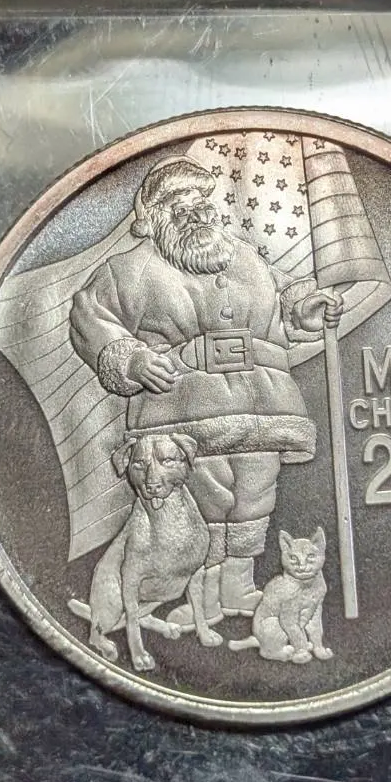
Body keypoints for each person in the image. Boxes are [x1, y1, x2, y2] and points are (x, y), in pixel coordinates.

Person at [69, 156, 342, 631]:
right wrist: (131, 360)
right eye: (179, 204)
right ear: (154, 218)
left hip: (263, 404)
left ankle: (238, 584)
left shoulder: (244, 256)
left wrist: (306, 307)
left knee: (256, 495)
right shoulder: (127, 271)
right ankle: (205, 593)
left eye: (200, 201)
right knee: (208, 502)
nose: (195, 212)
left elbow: (285, 297)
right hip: (183, 410)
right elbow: (91, 319)